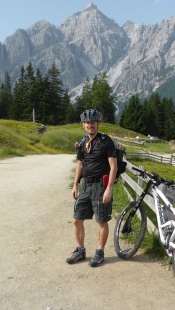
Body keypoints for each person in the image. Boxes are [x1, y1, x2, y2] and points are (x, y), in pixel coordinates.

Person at [66, 109, 118, 267]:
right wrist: (75, 185)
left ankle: (100, 252)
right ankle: (80, 250)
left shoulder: (106, 141)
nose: (90, 125)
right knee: (77, 220)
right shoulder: (82, 142)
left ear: (98, 124)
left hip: (100, 186)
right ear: (83, 125)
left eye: (93, 122)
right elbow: (80, 165)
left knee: (102, 220)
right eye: (87, 123)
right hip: (85, 185)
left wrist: (109, 188)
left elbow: (113, 167)